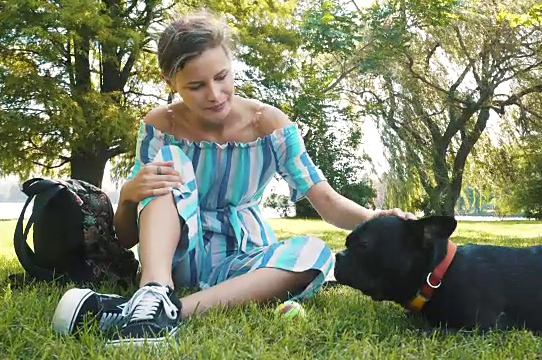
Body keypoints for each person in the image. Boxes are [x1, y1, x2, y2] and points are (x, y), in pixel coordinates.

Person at [50, 9, 416, 346]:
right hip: (177, 257)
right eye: (196, 86)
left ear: (230, 64)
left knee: (316, 253)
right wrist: (130, 193)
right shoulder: (161, 125)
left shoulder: (269, 124)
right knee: (168, 162)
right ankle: (155, 291)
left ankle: (159, 313)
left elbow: (325, 200)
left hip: (246, 263)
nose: (214, 94)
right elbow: (127, 235)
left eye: (222, 77)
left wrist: (374, 220)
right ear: (170, 80)